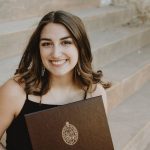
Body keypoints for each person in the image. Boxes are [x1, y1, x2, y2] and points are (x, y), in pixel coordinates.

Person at [0, 10, 111, 150]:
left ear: (80, 47)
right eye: (47, 44)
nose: (56, 53)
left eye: (66, 42)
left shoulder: (94, 93)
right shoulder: (15, 91)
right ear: (38, 49)